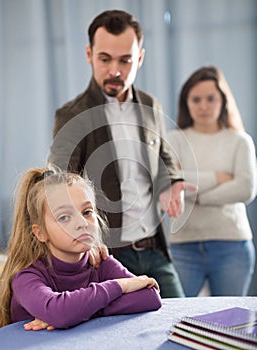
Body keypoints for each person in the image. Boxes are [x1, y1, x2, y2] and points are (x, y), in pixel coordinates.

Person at [48, 9, 196, 298]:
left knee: (181, 326)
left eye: (125, 60)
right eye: (105, 59)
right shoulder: (71, 115)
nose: (115, 70)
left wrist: (171, 182)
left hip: (155, 248)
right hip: (107, 257)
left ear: (139, 58)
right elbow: (59, 183)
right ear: (89, 54)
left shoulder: (151, 105)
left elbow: (164, 153)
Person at [0, 168, 161, 331]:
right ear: (40, 233)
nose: (82, 223)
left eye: (87, 212)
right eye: (64, 217)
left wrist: (77, 312)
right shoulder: (26, 277)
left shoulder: (100, 263)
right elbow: (59, 312)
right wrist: (119, 286)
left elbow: (150, 297)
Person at [166, 65, 256, 296]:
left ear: (223, 101)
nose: (203, 106)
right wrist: (218, 178)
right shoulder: (173, 140)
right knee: (175, 319)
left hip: (232, 246)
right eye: (196, 99)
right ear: (186, 102)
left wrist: (195, 195)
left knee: (230, 322)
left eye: (210, 99)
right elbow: (167, 183)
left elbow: (246, 189)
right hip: (183, 247)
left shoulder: (240, 141)